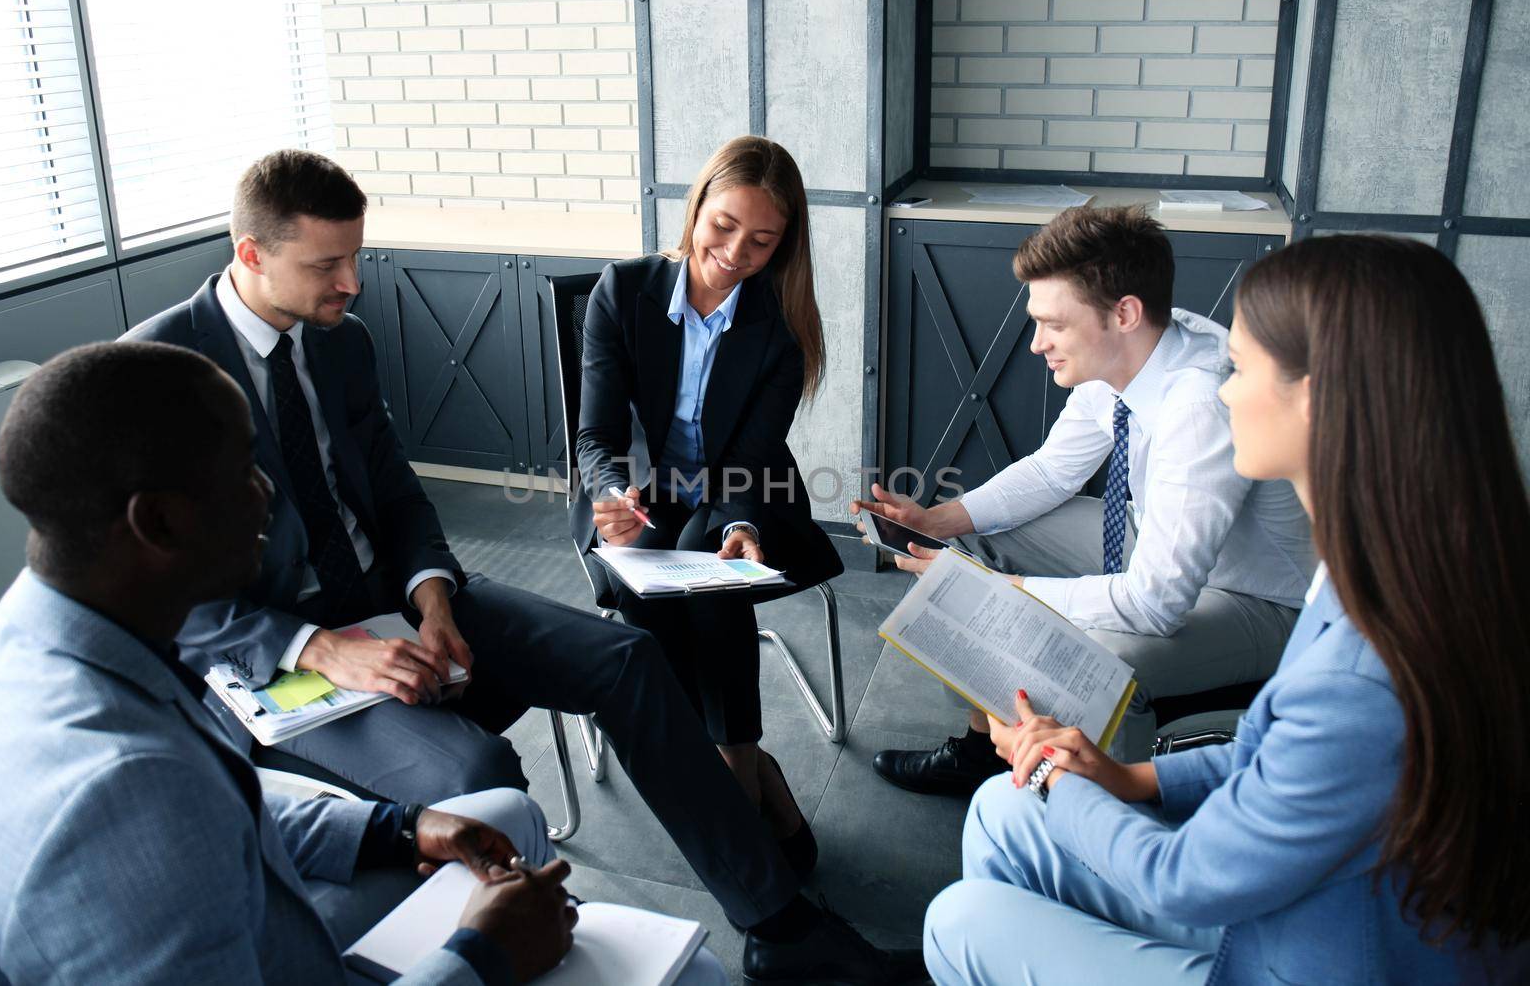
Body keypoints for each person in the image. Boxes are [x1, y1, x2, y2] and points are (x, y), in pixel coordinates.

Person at [124, 150, 921, 984]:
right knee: (480, 774)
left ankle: (780, 930)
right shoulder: (155, 370)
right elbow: (157, 597)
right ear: (249, 253)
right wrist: (320, 647)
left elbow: (397, 497)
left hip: (405, 600)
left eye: (356, 257)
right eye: (328, 264)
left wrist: (433, 596)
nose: (354, 283)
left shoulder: (341, 341)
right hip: (290, 656)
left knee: (628, 658)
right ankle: (512, 947)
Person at [0, 341, 731, 984]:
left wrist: (399, 827)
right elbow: (170, 814)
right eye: (244, 470)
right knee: (694, 973)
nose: (267, 495)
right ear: (161, 523)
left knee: (503, 816)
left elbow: (232, 795)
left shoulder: (2, 646)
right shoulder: (122, 802)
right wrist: (485, 957)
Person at [921, 235, 1530, 984]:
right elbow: (1274, 755)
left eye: (1242, 370)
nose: (1226, 387)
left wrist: (1056, 775)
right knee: (997, 811)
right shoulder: (1397, 566)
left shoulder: (1361, 674)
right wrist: (1132, 780)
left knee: (958, 919)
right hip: (1303, 908)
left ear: (1321, 396)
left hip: (1297, 957)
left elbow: (1186, 878)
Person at [854, 205, 1316, 792]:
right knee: (968, 536)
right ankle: (984, 749)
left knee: (1089, 658)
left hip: (1258, 599)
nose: (1036, 344)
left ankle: (1113, 811)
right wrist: (936, 519)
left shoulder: (1197, 405)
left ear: (1123, 313)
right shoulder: (1133, 349)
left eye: (1054, 325)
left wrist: (1009, 592)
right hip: (1155, 540)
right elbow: (1053, 472)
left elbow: (1156, 604)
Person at [575, 135, 841, 873]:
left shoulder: (782, 326)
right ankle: (749, 776)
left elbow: (750, 457)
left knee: (712, 579)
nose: (735, 251)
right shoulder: (622, 292)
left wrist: (742, 523)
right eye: (723, 225)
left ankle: (731, 767)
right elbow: (596, 433)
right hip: (636, 492)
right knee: (652, 571)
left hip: (743, 491)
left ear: (785, 244)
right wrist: (611, 495)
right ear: (696, 209)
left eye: (762, 239)